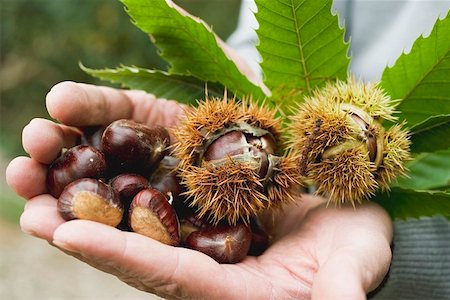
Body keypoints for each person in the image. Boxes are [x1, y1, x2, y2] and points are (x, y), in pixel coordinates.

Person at [6, 1, 446, 299]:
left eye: (257, 150)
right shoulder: (248, 151)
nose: (256, 149)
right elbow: (258, 43)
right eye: (249, 143)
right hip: (308, 110)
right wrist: (246, 75)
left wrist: (411, 249)